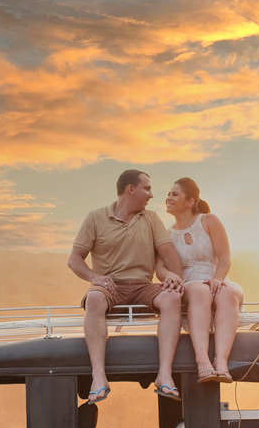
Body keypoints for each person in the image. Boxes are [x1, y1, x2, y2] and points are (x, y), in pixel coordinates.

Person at [68, 169, 186, 403]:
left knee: (172, 298)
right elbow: (74, 260)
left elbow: (168, 253)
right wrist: (95, 277)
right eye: (147, 189)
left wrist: (174, 276)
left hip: (143, 286)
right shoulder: (95, 218)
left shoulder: (151, 218)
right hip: (110, 287)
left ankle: (164, 375)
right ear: (130, 189)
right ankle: (98, 377)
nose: (151, 195)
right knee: (93, 299)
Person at [164, 177, 245, 384]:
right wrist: (170, 277)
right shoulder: (167, 234)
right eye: (169, 194)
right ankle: (202, 361)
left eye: (174, 194)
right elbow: (160, 267)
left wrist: (217, 278)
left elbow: (225, 256)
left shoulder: (209, 221)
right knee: (200, 291)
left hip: (216, 276)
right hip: (190, 282)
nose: (168, 198)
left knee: (227, 291)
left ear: (190, 202)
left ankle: (221, 362)